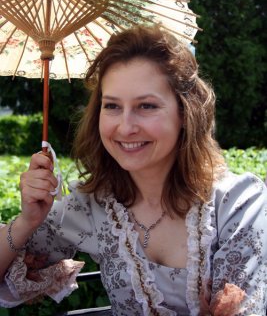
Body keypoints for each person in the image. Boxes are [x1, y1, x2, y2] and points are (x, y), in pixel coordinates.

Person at [0, 24, 266, 316]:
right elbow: (9, 283)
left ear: (185, 113)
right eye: (112, 106)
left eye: (147, 106)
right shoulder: (91, 206)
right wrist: (27, 220)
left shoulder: (237, 205)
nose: (125, 127)